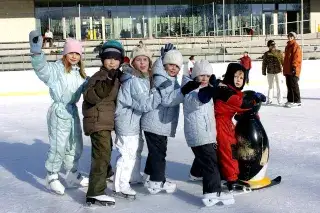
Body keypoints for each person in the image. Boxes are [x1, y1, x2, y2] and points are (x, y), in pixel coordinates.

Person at [29, 31, 89, 195]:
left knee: (75, 145)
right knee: (58, 146)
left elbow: (90, 87)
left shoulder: (81, 73)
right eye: (71, 52)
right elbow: (41, 68)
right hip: (58, 112)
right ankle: (52, 175)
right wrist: (36, 52)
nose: (74, 56)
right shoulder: (56, 69)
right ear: (65, 53)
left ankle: (71, 174)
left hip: (72, 112)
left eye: (77, 53)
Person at [199, 63, 266, 191]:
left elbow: (240, 98)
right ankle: (232, 179)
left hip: (223, 123)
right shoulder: (226, 92)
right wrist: (255, 99)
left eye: (241, 78)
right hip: (220, 125)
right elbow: (241, 103)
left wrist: (253, 95)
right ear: (230, 76)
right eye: (236, 76)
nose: (239, 80)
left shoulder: (227, 88)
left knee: (218, 151)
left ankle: (199, 172)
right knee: (230, 150)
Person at [141, 44, 197, 194]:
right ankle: (157, 181)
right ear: (164, 65)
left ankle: (148, 175)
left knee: (156, 151)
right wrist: (184, 91)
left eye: (176, 66)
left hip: (157, 123)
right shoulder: (163, 78)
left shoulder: (167, 77)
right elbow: (168, 100)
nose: (173, 68)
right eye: (170, 65)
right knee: (159, 153)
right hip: (156, 122)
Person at [182, 60, 235, 206]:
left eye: (207, 75)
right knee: (211, 163)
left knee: (206, 159)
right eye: (201, 75)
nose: (204, 78)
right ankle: (211, 193)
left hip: (205, 134)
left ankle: (196, 174)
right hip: (199, 135)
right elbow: (201, 99)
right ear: (195, 77)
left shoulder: (204, 89)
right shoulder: (191, 92)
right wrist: (212, 88)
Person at [113, 46, 161, 198]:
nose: (142, 63)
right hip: (127, 122)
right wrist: (158, 93)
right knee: (127, 154)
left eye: (145, 60)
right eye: (138, 60)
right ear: (133, 63)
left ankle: (133, 176)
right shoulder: (134, 80)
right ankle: (120, 185)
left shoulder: (141, 78)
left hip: (133, 122)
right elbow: (145, 104)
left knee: (136, 150)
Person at [82, 40, 125, 206]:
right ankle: (95, 192)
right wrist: (107, 83)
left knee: (105, 150)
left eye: (115, 58)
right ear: (102, 60)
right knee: (101, 155)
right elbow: (90, 97)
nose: (112, 61)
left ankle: (106, 174)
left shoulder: (115, 76)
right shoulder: (99, 76)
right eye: (108, 58)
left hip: (104, 121)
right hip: (97, 121)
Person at [283, 32, 302, 108]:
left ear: (294, 37)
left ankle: (297, 101)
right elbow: (286, 59)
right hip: (287, 69)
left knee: (294, 85)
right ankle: (290, 100)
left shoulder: (295, 46)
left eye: (292, 36)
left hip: (293, 69)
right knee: (289, 86)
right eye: (289, 36)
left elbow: (296, 58)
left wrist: (294, 67)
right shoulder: (287, 46)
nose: (290, 37)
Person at [262, 40, 284, 105]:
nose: (273, 46)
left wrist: (285, 69)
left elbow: (283, 61)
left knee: (279, 86)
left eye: (274, 44)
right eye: (272, 45)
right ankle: (269, 100)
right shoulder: (266, 54)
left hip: (278, 72)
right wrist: (263, 71)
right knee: (270, 87)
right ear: (269, 46)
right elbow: (264, 63)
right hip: (270, 72)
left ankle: (280, 100)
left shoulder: (279, 52)